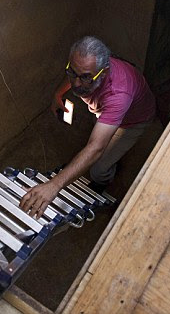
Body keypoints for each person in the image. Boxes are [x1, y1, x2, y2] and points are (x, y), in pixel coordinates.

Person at [20, 36, 156, 219]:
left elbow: (96, 147)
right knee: (95, 143)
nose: (76, 84)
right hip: (106, 112)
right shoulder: (90, 73)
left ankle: (104, 181)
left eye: (85, 78)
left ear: (104, 72)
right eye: (73, 73)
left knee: (98, 168)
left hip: (132, 123)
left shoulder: (118, 94)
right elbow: (77, 75)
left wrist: (53, 185)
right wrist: (58, 95)